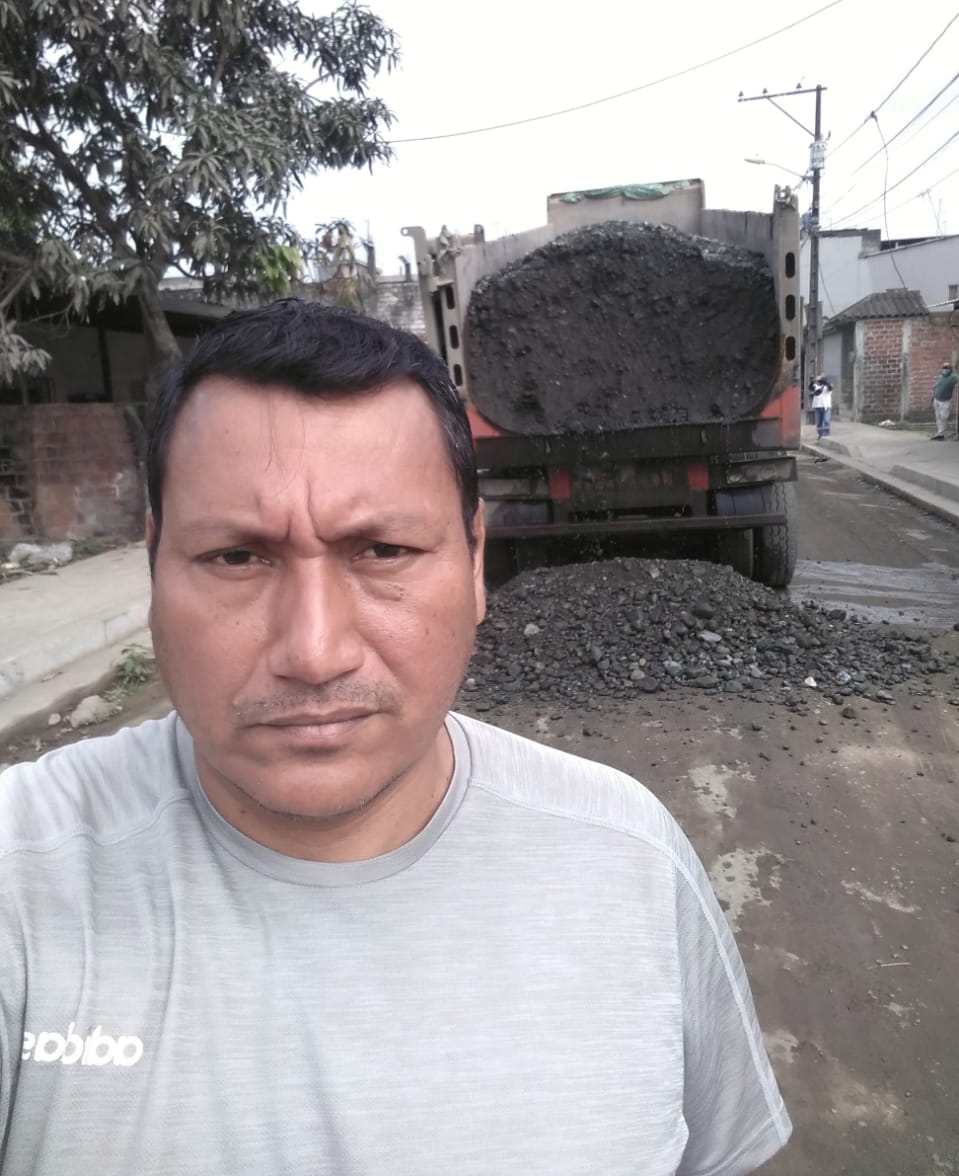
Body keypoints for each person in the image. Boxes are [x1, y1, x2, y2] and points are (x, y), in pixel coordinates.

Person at [0, 301, 791, 1175]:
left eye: (381, 551)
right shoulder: (21, 879)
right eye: (236, 557)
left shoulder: (627, 860)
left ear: (475, 559)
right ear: (154, 566)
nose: (313, 652)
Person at [931, 360, 957, 440]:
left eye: (947, 368)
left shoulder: (953, 377)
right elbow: (935, 387)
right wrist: (932, 397)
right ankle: (940, 432)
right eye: (944, 367)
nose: (945, 369)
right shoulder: (940, 377)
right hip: (937, 399)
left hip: (946, 400)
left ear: (950, 369)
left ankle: (942, 432)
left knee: (944, 417)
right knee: (938, 417)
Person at [808, 372, 833, 439]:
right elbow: (810, 388)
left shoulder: (828, 386)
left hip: (826, 406)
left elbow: (830, 388)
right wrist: (812, 382)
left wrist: (825, 382)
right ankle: (820, 434)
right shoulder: (816, 385)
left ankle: (826, 434)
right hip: (817, 406)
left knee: (826, 420)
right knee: (818, 422)